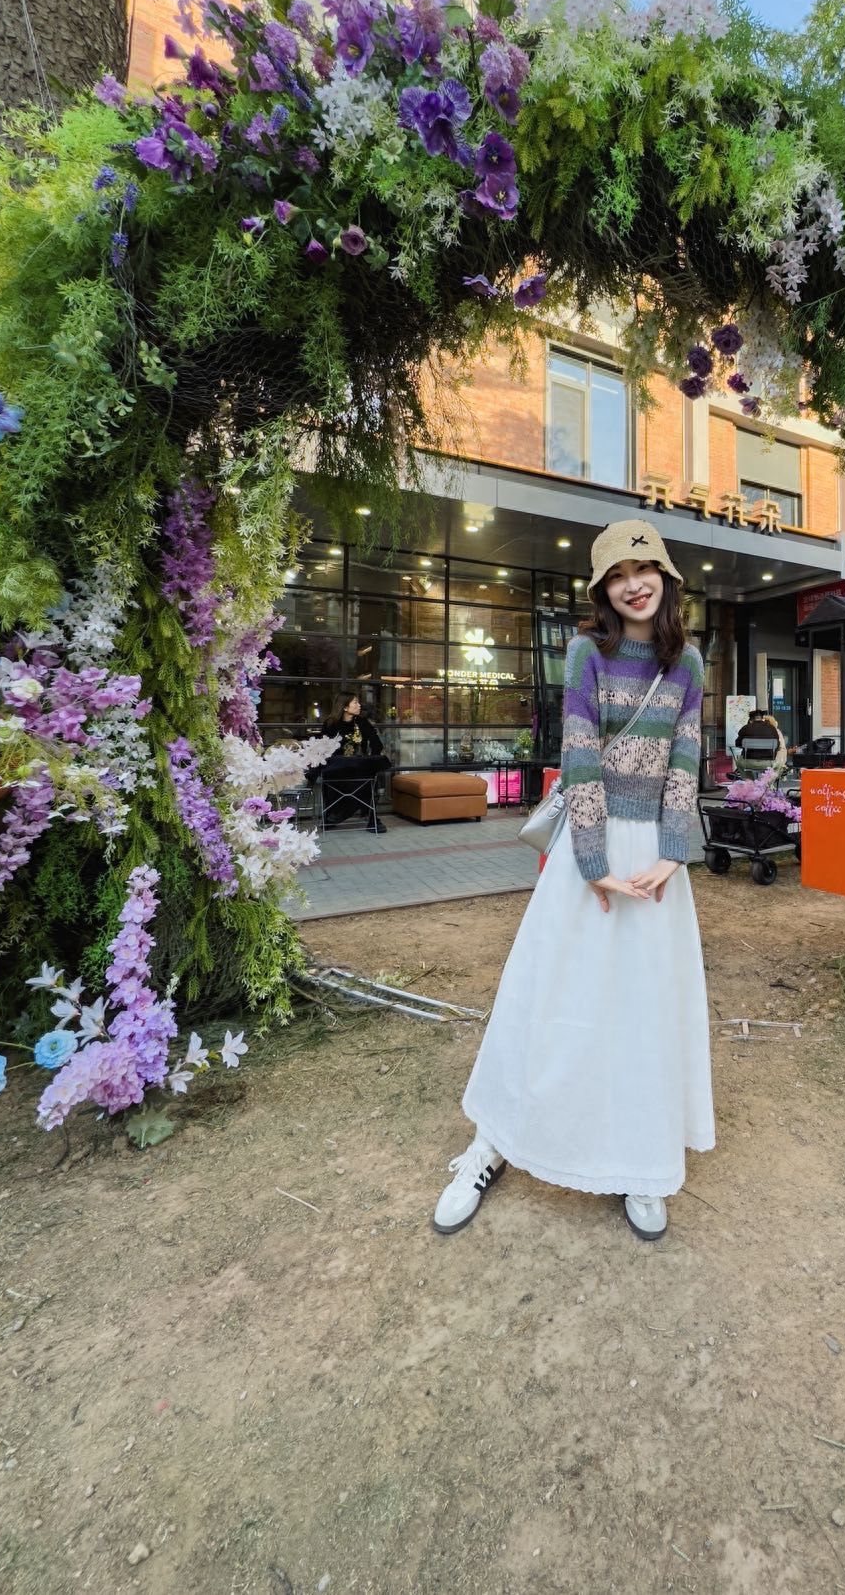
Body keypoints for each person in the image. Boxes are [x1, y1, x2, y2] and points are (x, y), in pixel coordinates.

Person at [433, 518, 714, 1243]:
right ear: (601, 589)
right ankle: (490, 1144)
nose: (634, 584)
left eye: (644, 568)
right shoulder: (587, 649)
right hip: (589, 856)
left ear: (667, 576)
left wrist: (675, 853)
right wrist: (593, 864)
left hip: (655, 859)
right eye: (618, 575)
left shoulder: (689, 664)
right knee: (546, 992)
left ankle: (642, 1163)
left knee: (644, 1010)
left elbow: (687, 764)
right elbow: (579, 755)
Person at [318, 691, 389, 832]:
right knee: (344, 779)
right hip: (337, 769)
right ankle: (335, 814)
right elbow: (322, 747)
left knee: (367, 777)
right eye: (355, 702)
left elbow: (376, 743)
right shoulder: (331, 724)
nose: (359, 705)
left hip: (358, 767)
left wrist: (371, 759)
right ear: (345, 707)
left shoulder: (362, 722)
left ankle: (371, 818)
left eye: (358, 702)